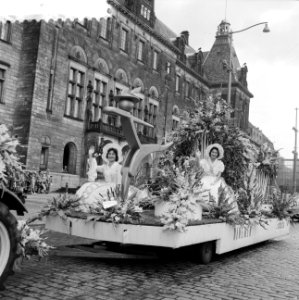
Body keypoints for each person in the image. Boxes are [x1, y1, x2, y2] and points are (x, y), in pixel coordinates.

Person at [196, 143, 237, 211]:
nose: (214, 154)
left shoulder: (220, 163)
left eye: (216, 153)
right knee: (204, 186)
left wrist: (215, 182)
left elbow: (219, 175)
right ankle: (205, 206)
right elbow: (198, 166)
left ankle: (216, 207)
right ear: (210, 152)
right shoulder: (204, 161)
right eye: (213, 152)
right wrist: (197, 157)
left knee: (216, 188)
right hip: (205, 178)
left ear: (218, 154)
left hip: (216, 179)